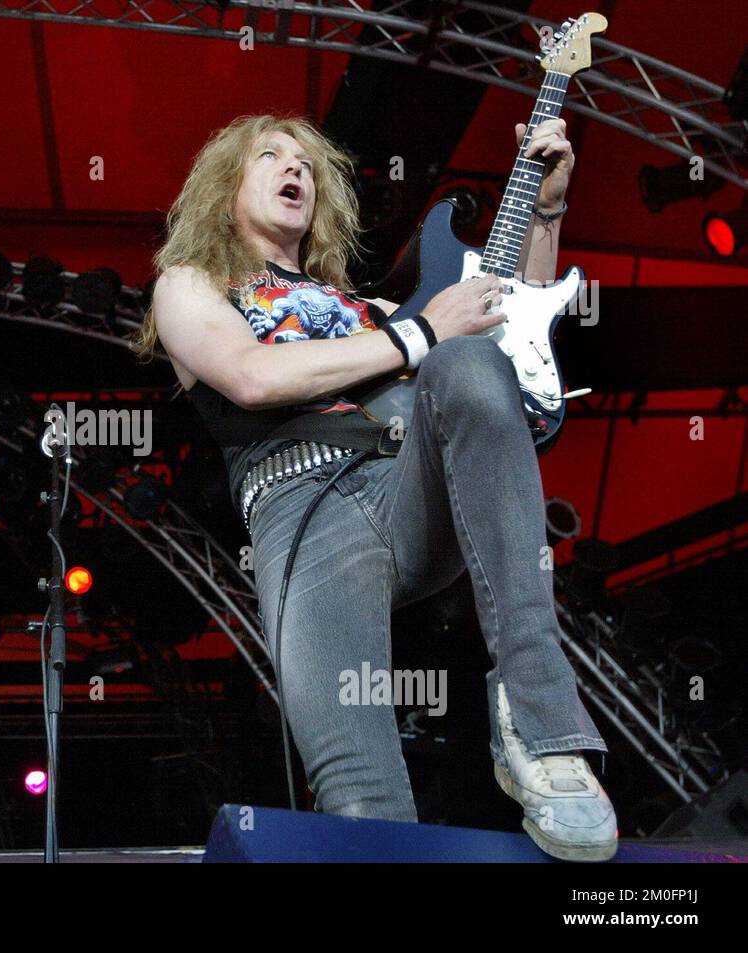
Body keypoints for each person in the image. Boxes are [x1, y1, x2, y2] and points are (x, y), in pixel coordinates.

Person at [136, 113, 616, 861]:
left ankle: (543, 725)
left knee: (469, 363)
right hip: (303, 514)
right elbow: (252, 376)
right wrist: (421, 334)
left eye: (307, 163)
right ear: (224, 188)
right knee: (361, 793)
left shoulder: (369, 308)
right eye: (270, 156)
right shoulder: (193, 283)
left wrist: (544, 208)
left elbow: (511, 337)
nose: (294, 168)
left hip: (406, 488)